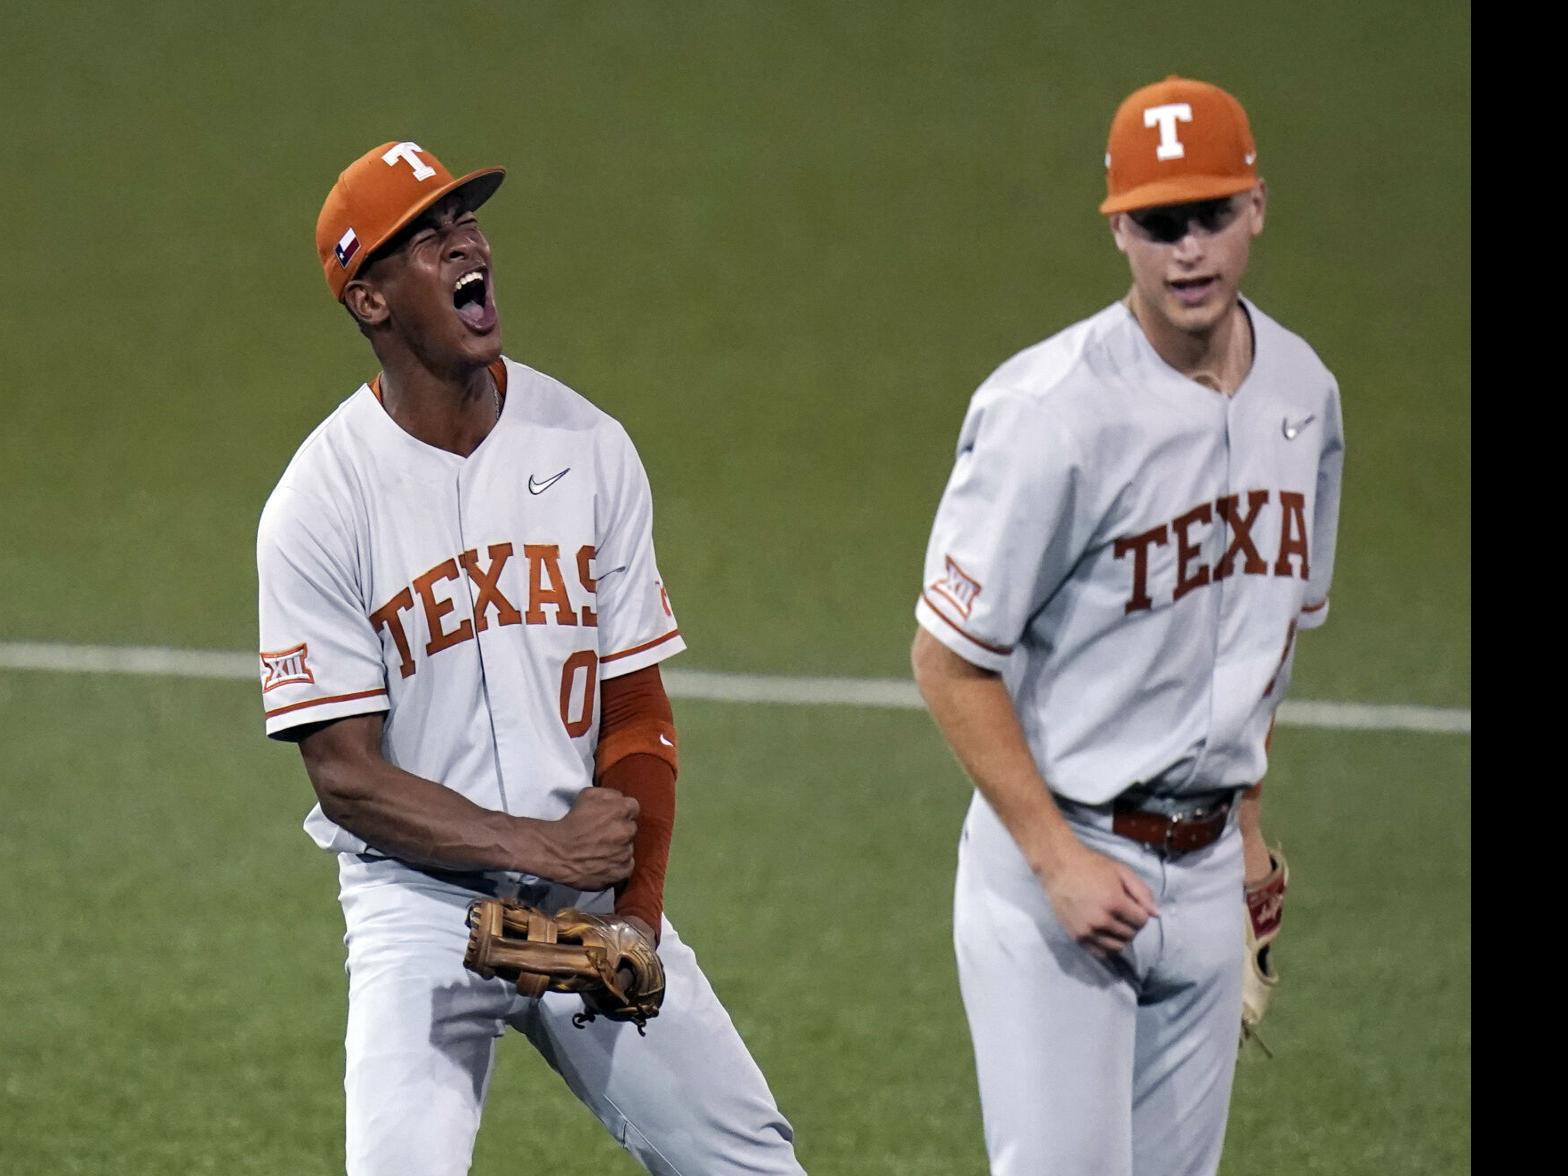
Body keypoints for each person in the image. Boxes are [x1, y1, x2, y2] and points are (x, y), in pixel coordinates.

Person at [257, 140, 805, 1176]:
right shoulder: (319, 504)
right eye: (424, 234)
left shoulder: (587, 446)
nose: (464, 238)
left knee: (748, 1162)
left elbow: (635, 706)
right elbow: (346, 777)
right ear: (370, 300)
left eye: (462, 217)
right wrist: (536, 845)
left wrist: (634, 922)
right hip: (417, 909)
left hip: (586, 909)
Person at [909, 77, 1343, 1176]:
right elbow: (948, 660)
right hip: (1061, 867)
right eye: (1157, 224)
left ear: (1256, 207)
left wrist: (1245, 827)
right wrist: (1057, 862)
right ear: (1117, 229)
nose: (1185, 250)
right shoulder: (1048, 411)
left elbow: (1267, 637)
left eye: (1208, 215)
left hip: (1202, 876)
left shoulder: (1304, 394)